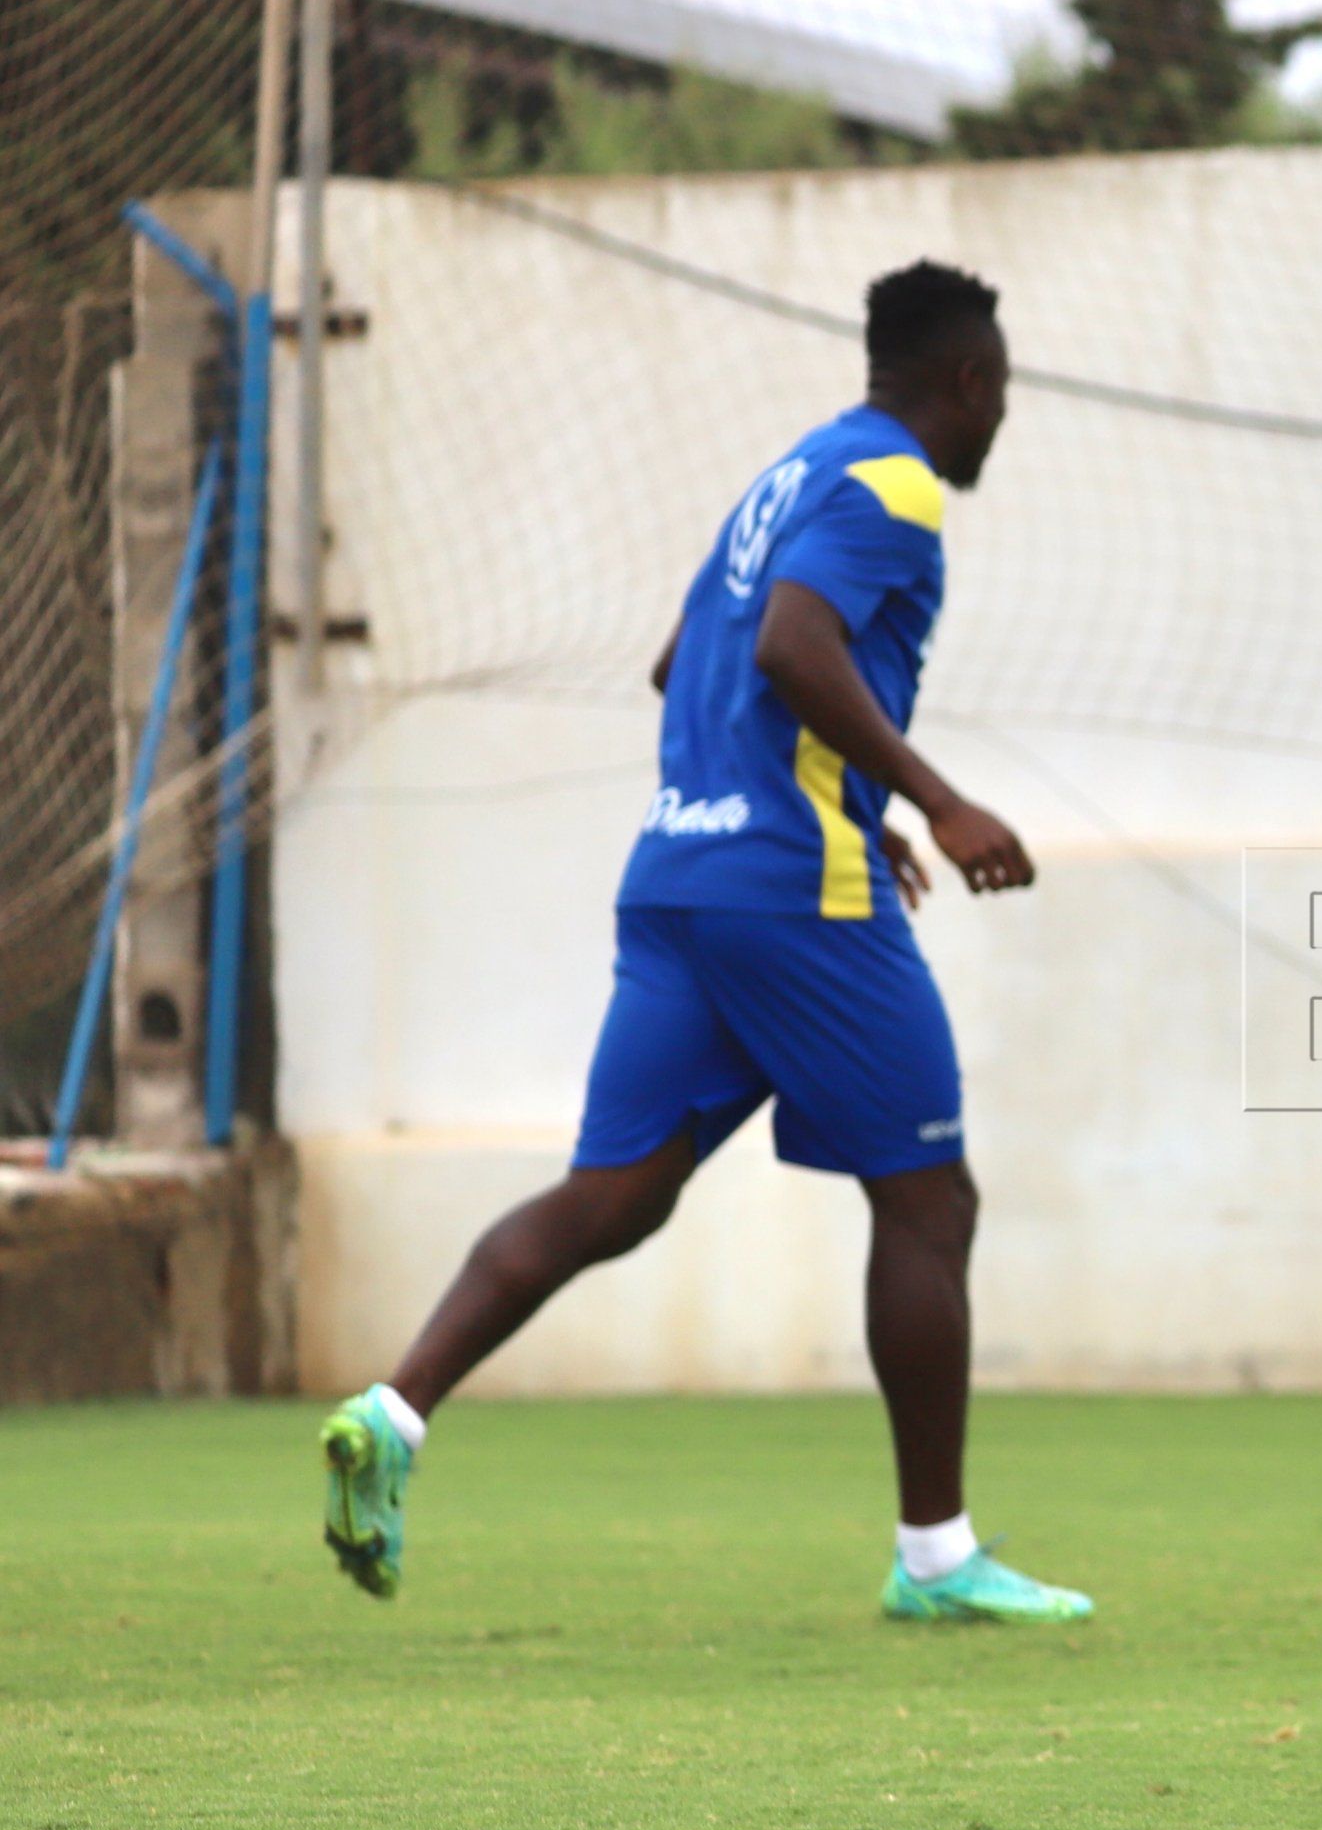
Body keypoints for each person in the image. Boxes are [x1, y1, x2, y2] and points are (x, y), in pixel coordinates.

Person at [316, 262, 1090, 1627]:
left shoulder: (781, 479)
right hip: (792, 892)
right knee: (929, 1201)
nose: (998, 425)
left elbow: (687, 661)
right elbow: (795, 648)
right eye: (1001, 396)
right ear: (968, 382)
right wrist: (936, 799)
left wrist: (833, 795)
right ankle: (936, 1559)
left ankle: (395, 1411)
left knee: (611, 1197)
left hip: (679, 871)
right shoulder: (897, 483)